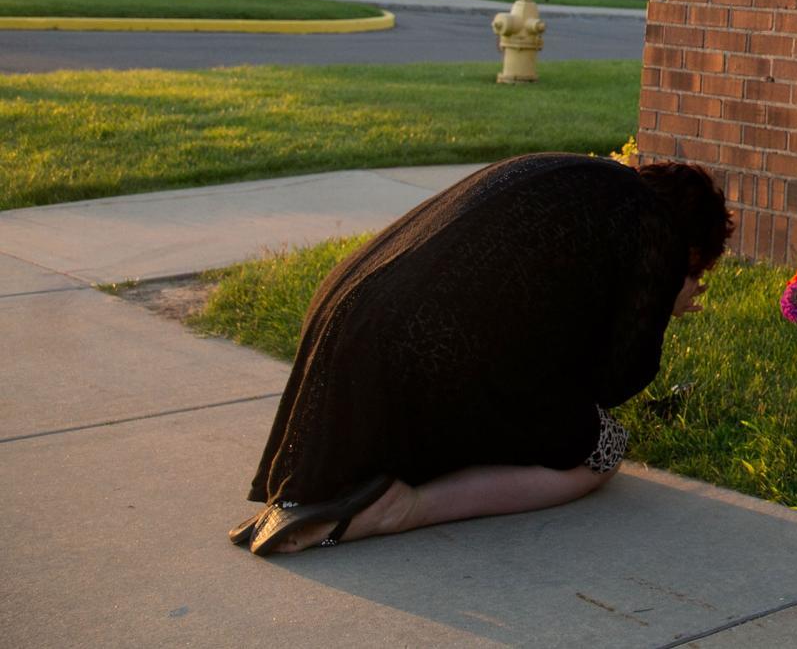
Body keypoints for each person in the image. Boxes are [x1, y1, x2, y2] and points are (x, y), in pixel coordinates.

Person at [231, 153, 733, 556]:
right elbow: (616, 381)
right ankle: (403, 507)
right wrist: (667, 296)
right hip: (417, 352)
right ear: (690, 251)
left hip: (346, 320)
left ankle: (350, 487)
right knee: (602, 449)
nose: (698, 286)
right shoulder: (655, 233)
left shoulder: (581, 176)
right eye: (699, 275)